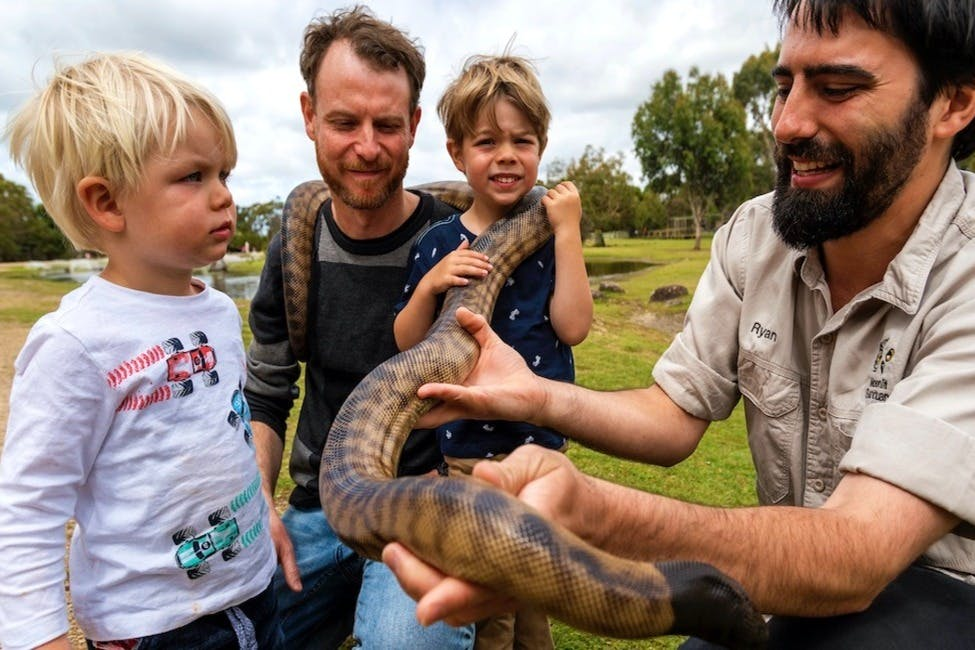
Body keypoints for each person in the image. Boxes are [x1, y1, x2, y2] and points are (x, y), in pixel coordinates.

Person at [382, 1, 975, 647]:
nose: (785, 123)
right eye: (783, 89)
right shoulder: (757, 235)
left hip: (938, 597)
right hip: (788, 589)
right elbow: (673, 418)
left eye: (836, 89)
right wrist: (539, 395)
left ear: (951, 104)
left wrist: (593, 516)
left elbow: (856, 555)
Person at [0, 53, 281, 650]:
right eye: (193, 177)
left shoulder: (217, 311)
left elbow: (228, 430)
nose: (224, 197)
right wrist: (40, 637)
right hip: (157, 629)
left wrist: (263, 516)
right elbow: (29, 512)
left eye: (225, 174)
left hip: (255, 592)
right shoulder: (76, 344)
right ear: (106, 203)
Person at [243, 6, 474, 649]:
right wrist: (261, 498)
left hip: (421, 505)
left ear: (415, 127)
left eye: (387, 125)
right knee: (229, 629)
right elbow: (266, 386)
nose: (367, 147)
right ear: (310, 115)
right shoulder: (295, 240)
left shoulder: (456, 243)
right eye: (344, 122)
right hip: (316, 507)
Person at [392, 53, 592, 650]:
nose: (506, 155)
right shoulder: (438, 244)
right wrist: (431, 285)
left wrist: (569, 232)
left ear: (542, 145)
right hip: (468, 457)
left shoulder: (552, 233)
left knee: (536, 592)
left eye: (522, 140)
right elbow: (406, 345)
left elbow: (573, 326)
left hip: (541, 452)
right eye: (487, 141)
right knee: (493, 601)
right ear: (457, 153)